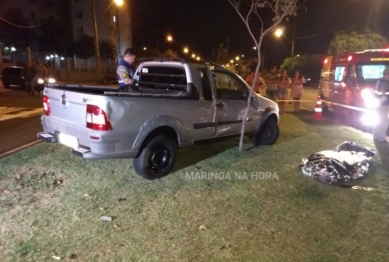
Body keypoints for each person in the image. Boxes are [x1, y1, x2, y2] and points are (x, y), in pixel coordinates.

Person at [372, 68, 389, 143]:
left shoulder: (380, 80)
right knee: (384, 121)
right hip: (384, 104)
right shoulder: (385, 82)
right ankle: (381, 137)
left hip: (379, 104)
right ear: (386, 74)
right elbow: (383, 90)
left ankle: (376, 136)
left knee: (379, 120)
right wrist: (383, 95)